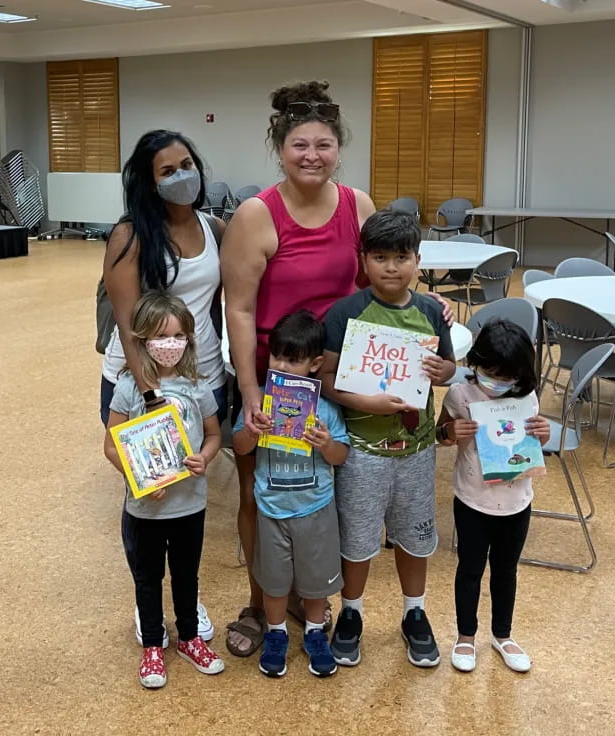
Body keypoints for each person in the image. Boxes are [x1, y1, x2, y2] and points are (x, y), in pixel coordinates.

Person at [221, 80, 376, 657]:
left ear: (340, 148)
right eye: (300, 145)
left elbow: (370, 286)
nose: (312, 155)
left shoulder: (359, 206)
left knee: (323, 484)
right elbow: (237, 308)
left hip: (331, 375)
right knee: (258, 490)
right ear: (280, 148)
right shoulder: (256, 216)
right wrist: (251, 389)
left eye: (325, 145)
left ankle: (314, 596)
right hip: (271, 371)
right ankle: (261, 601)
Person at [319, 209, 456, 668]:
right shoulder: (345, 313)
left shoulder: (433, 311)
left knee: (415, 536)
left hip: (416, 451)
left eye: (402, 257)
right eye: (380, 257)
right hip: (363, 451)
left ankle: (414, 611)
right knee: (357, 539)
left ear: (418, 260)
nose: (391, 267)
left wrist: (445, 370)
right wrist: (367, 404)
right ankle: (351, 612)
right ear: (363, 261)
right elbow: (327, 381)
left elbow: (449, 368)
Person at [102, 130, 223, 647]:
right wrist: (151, 394)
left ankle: (186, 604)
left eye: (187, 164)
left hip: (203, 370)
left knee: (188, 494)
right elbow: (129, 322)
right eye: (167, 171)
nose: (182, 176)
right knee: (147, 489)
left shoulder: (214, 225)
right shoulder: (130, 235)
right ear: (148, 183)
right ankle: (146, 602)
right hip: (143, 375)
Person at [104, 292, 225, 688]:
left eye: (177, 335)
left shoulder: (198, 387)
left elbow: (212, 436)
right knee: (148, 577)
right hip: (146, 509)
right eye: (159, 336)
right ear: (141, 340)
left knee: (187, 574)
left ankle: (190, 637)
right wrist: (139, 477)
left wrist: (204, 459)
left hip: (190, 504)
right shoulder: (128, 388)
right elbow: (111, 445)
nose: (169, 344)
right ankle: (153, 646)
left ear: (189, 339)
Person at [232, 310, 350, 678]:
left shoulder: (325, 410)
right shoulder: (261, 402)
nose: (281, 366)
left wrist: (326, 444)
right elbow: (238, 446)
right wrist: (251, 432)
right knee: (274, 580)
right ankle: (277, 633)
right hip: (271, 510)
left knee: (316, 582)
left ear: (315, 364)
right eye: (276, 356)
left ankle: (315, 632)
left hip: (315, 508)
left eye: (293, 360)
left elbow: (341, 455)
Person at [435, 319, 550, 673]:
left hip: (518, 501)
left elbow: (532, 441)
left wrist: (543, 434)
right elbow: (439, 435)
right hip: (472, 500)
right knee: (470, 568)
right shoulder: (460, 394)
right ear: (475, 363)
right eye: (490, 373)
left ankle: (503, 634)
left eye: (507, 376)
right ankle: (465, 637)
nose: (498, 383)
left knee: (506, 569)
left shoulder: (526, 396)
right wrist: (451, 430)